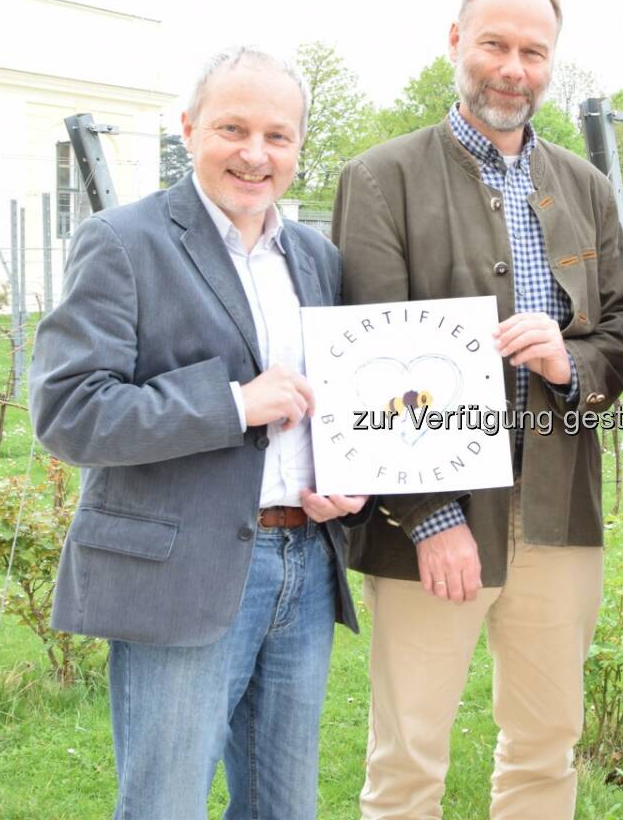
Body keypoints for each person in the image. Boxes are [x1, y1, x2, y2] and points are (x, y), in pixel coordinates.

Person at [331, 0, 623, 820]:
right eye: (495, 44)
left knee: (547, 748)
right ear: (456, 43)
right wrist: (432, 517)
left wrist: (566, 363)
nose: (513, 67)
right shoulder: (379, 179)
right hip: (429, 524)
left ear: (552, 62)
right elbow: (370, 357)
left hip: (556, 511)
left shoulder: (585, 187)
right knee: (408, 760)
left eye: (533, 51)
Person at [29, 47, 367, 819]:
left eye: (278, 137)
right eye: (233, 129)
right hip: (180, 573)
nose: (255, 154)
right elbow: (69, 410)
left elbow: (324, 399)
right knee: (164, 805)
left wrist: (334, 472)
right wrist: (231, 405)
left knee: (284, 807)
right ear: (188, 129)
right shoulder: (124, 242)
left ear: (299, 148)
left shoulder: (316, 257)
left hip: (303, 568)